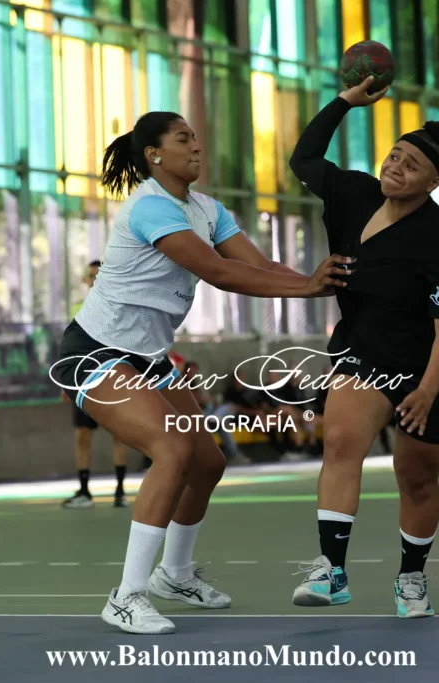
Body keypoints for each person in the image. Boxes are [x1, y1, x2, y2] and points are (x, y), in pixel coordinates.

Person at [51, 110, 350, 635]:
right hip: (95, 353)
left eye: (195, 137)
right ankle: (126, 596)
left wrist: (321, 281)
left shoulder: (206, 209)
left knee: (207, 462)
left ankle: (174, 574)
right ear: (154, 155)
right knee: (171, 450)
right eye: (183, 138)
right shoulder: (149, 206)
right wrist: (305, 287)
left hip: (149, 358)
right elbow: (217, 272)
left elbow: (258, 267)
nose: (196, 146)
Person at [287, 76, 439, 618]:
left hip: (431, 364)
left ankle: (411, 578)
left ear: (433, 182)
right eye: (394, 155)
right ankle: (332, 571)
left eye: (411, 165)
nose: (396, 167)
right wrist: (344, 102)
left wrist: (426, 391)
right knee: (340, 441)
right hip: (364, 349)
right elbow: (304, 159)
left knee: (416, 477)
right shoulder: (354, 193)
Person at [62, 260, 133, 509]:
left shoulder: (120, 306)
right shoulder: (78, 308)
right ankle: (84, 492)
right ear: (86, 280)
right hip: (83, 381)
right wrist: (65, 383)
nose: (94, 280)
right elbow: (71, 348)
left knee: (119, 435)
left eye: (98, 275)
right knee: (82, 435)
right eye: (91, 276)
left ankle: (120, 491)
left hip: (113, 380)